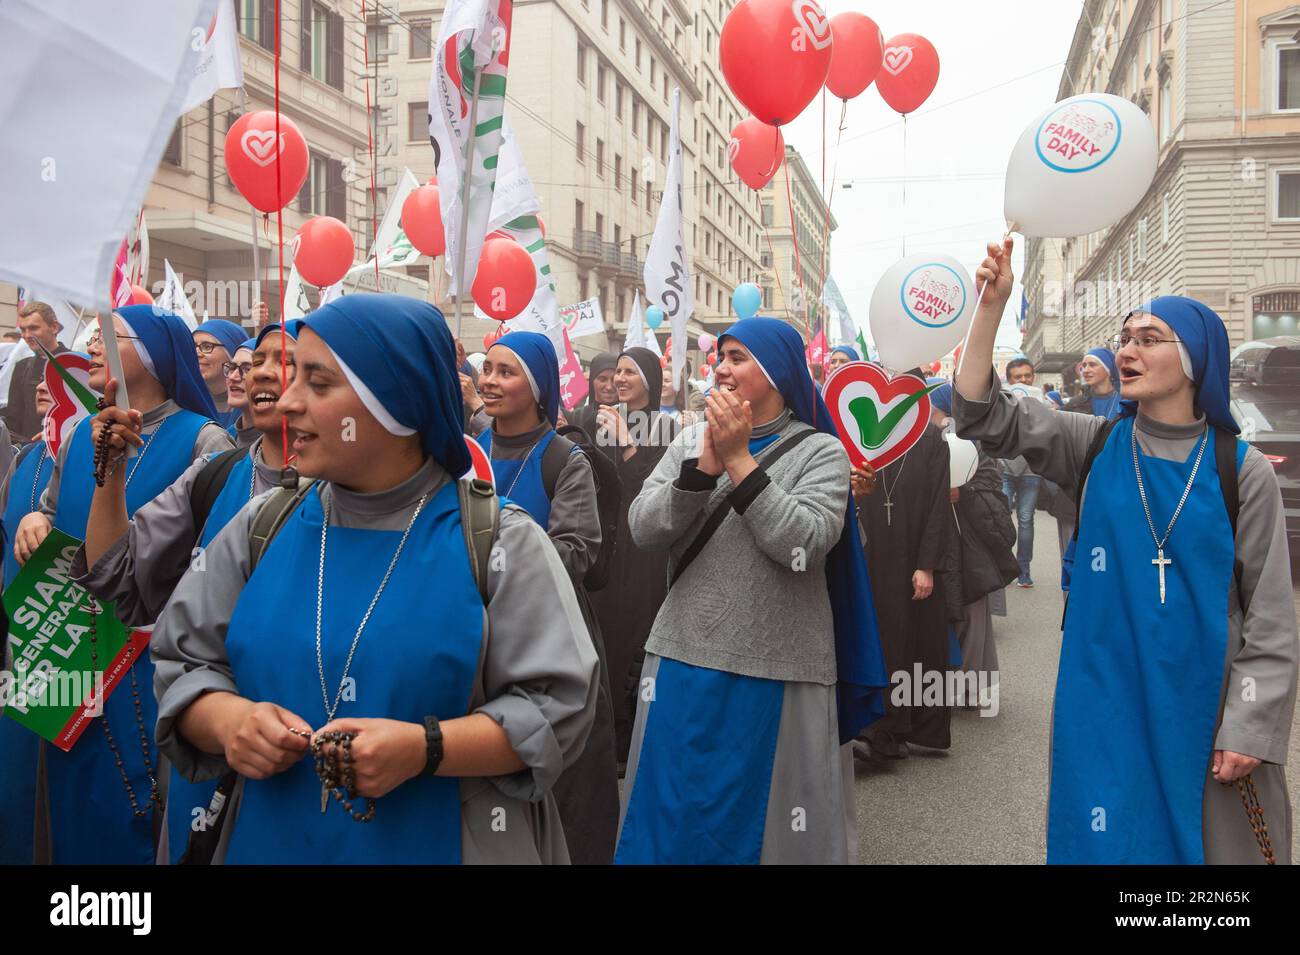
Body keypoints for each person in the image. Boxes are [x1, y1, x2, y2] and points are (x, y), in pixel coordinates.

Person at [151, 293, 598, 864]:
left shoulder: (498, 540)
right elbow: (182, 661)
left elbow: (557, 708)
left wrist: (426, 749)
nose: (286, 402)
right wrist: (228, 721)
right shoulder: (263, 524)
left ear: (395, 401)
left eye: (317, 382)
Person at [955, 239, 1297, 864]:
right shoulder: (1092, 443)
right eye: (1125, 335)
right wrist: (990, 308)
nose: (1128, 349)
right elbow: (980, 414)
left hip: (1203, 703)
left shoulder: (1240, 471)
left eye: (1149, 337)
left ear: (1194, 359)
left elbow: (1271, 617)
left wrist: (1250, 725)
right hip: (1104, 693)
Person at [615, 317, 885, 864]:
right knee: (671, 815)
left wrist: (739, 462)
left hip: (777, 668)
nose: (721, 367)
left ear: (778, 371)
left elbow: (804, 544)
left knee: (760, 832)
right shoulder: (690, 439)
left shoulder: (821, 453)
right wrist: (698, 475)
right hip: (682, 658)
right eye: (721, 356)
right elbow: (643, 529)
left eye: (737, 357)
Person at [2, 305, 231, 865]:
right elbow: (57, 512)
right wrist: (37, 520)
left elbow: (212, 565)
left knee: (132, 809)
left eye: (112, 336)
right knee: (61, 803)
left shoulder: (205, 443)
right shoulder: (81, 431)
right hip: (64, 652)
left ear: (155, 353)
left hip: (143, 664)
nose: (95, 347)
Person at [71, 322, 301, 864]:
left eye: (291, 361)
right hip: (207, 746)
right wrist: (112, 473)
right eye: (259, 358)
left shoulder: (362, 501)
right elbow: (116, 573)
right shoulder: (214, 477)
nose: (265, 370)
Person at [474, 330, 620, 864]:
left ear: (536, 390)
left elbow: (576, 552)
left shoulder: (565, 460)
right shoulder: (465, 446)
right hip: (473, 631)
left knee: (565, 779)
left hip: (548, 633)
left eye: (505, 372)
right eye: (486, 368)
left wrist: (497, 561)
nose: (489, 380)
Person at [852, 369, 953, 759]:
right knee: (876, 637)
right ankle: (876, 725)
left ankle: (894, 730)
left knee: (909, 641)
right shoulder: (865, 437)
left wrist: (927, 564)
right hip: (872, 552)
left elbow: (937, 508)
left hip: (911, 554)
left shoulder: (931, 440)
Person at [586, 346, 679, 763]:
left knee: (636, 632)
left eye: (628, 372)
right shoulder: (595, 419)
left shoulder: (666, 427)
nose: (618, 379)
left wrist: (626, 440)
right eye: (616, 372)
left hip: (643, 547)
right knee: (602, 629)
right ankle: (603, 732)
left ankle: (633, 735)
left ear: (649, 380)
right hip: (606, 541)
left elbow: (650, 486)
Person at [930, 383, 1018, 707]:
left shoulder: (972, 448)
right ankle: (950, 686)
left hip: (969, 545)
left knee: (971, 615)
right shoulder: (928, 443)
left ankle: (967, 687)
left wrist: (961, 492)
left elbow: (992, 493)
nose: (928, 414)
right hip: (943, 543)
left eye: (934, 409)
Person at [1000, 357, 1040, 587]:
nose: (1024, 380)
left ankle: (1023, 570)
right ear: (1010, 379)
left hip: (1031, 468)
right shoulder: (1002, 399)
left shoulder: (1041, 400)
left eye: (1027, 375)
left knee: (1026, 519)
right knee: (1001, 517)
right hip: (1005, 466)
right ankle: (1003, 567)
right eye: (1018, 377)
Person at [2, 302, 67, 443]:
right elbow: (14, 419)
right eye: (23, 330)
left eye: (33, 328)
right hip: (29, 453)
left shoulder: (75, 363)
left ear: (54, 327)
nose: (26, 335)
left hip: (65, 449)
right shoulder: (22, 367)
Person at [193, 318, 248, 429]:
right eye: (193, 346)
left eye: (207, 346)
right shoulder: (189, 403)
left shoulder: (249, 409)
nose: (197, 353)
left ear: (232, 352)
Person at [567, 352, 618, 438]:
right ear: (592, 381)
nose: (609, 387)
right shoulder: (576, 417)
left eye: (614, 380)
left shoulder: (632, 417)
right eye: (602, 379)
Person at [1064, 347, 1122, 420]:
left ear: (1108, 368)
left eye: (1092, 365)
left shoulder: (1127, 402)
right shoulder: (1075, 404)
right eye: (1084, 366)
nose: (1085, 370)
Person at [222, 337, 258, 447]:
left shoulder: (280, 443)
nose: (233, 377)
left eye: (247, 369)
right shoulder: (224, 438)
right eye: (232, 367)